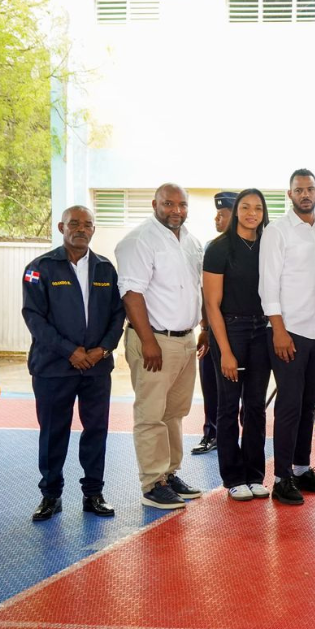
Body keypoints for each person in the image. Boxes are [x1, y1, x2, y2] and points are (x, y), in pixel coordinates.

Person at [23, 206, 126, 520]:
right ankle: (50, 496)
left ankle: (93, 494)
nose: (81, 229)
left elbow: (118, 314)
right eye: (74, 224)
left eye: (87, 225)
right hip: (53, 368)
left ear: (94, 229)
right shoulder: (39, 268)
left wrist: (103, 350)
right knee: (53, 434)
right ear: (61, 227)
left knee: (96, 431)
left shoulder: (105, 269)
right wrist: (70, 352)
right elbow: (34, 317)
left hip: (96, 368)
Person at [115, 183, 206, 510]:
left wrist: (204, 328)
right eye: (168, 204)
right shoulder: (139, 240)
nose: (176, 210)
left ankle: (169, 474)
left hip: (185, 339)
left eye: (182, 205)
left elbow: (197, 288)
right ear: (155, 204)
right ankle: (152, 484)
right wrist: (148, 341)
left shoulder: (191, 241)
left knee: (174, 413)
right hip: (154, 340)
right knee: (151, 414)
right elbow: (131, 294)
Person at [260, 168, 315, 505]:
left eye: (310, 189)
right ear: (289, 194)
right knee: (289, 405)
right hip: (289, 331)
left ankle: (302, 469)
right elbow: (268, 284)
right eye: (299, 190)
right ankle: (281, 478)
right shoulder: (277, 231)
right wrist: (278, 329)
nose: (305, 194)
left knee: (308, 404)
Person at [202, 189, 274, 501]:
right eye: (245, 207)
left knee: (256, 406)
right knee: (229, 406)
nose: (251, 213)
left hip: (262, 330)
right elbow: (212, 304)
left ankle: (255, 475)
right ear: (236, 212)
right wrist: (226, 351)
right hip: (230, 330)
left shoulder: (269, 246)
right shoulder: (219, 248)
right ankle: (233, 477)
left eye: (258, 208)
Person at [192, 191, 236, 456]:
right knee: (211, 383)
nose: (216, 219)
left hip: (243, 328)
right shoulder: (211, 246)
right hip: (214, 326)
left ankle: (236, 436)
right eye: (216, 214)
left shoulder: (257, 246)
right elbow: (205, 293)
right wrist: (205, 328)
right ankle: (211, 433)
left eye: (222, 214)